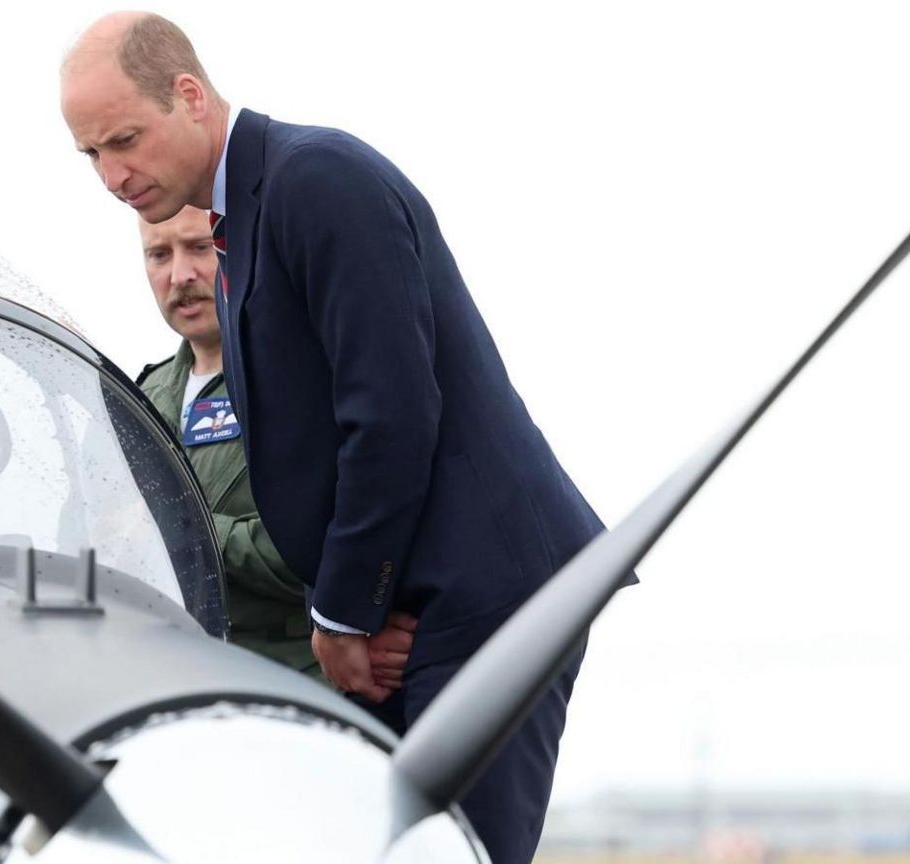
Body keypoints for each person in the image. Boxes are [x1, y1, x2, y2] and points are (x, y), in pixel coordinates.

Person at [60, 13, 626, 863]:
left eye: (125, 140)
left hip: (481, 596)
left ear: (189, 95)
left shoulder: (314, 181)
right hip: (409, 607)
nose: (111, 175)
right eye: (91, 155)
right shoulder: (241, 219)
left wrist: (343, 611)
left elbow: (392, 414)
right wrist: (357, 611)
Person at [134, 205, 413, 677]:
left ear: (233, 247)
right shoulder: (137, 398)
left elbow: (327, 547)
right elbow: (89, 542)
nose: (180, 275)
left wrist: (181, 529)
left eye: (199, 248)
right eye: (159, 255)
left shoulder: (304, 380)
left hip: (296, 685)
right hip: (166, 685)